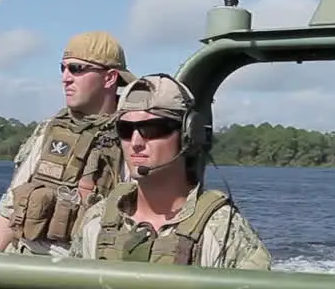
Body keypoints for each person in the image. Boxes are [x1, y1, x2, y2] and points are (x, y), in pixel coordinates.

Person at [69, 73, 272, 270]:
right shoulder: (97, 221)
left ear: (187, 136)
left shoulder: (221, 229)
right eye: (125, 130)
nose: (136, 142)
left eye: (152, 129)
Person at [0, 30, 136, 256]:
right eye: (63, 68)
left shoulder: (133, 134)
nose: (65, 77)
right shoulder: (51, 129)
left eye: (77, 69)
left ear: (109, 78)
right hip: (23, 259)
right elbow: (11, 205)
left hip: (80, 271)